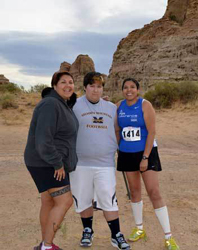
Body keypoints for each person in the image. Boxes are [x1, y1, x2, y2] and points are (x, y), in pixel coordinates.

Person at [116, 78, 180, 250]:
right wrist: (117, 148)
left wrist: (145, 157)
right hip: (126, 153)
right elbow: (117, 130)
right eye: (126, 87)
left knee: (154, 192)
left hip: (146, 152)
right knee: (135, 191)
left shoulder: (145, 105)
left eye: (132, 87)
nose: (129, 90)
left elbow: (152, 132)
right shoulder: (118, 106)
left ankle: (168, 237)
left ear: (138, 89)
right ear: (122, 90)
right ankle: (139, 229)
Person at [70, 72, 131, 250]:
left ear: (102, 88)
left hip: (105, 163)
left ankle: (116, 235)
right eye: (92, 86)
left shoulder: (111, 107)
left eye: (99, 86)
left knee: (108, 197)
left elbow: (117, 130)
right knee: (84, 198)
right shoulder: (74, 105)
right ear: (85, 87)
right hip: (80, 163)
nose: (95, 90)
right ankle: (87, 231)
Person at [24, 71, 79, 250]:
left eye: (71, 82)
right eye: (63, 82)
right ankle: (47, 246)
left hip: (45, 160)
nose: (68, 85)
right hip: (46, 162)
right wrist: (57, 163)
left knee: (48, 201)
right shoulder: (50, 104)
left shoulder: (61, 103)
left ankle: (44, 244)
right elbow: (43, 139)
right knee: (64, 201)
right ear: (54, 85)